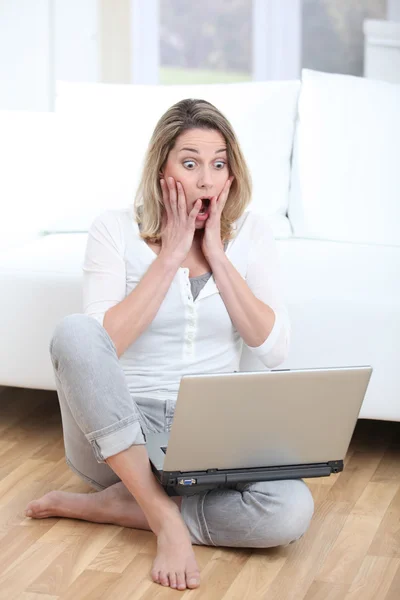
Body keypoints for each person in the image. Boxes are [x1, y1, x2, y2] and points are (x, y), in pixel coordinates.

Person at [25, 98, 314, 592]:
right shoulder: (113, 228)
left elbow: (273, 349)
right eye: (190, 162)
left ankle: (119, 506)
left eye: (218, 164)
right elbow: (98, 347)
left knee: (290, 510)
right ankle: (161, 514)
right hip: (119, 437)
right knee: (73, 330)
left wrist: (218, 257)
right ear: (162, 169)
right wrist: (172, 255)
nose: (205, 180)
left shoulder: (252, 235)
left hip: (208, 435)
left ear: (231, 175)